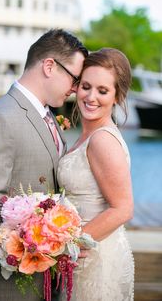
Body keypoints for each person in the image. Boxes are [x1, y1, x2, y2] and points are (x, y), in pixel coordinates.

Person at [0, 29, 88, 301]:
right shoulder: (0, 117)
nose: (75, 88)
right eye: (74, 78)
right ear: (49, 66)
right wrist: (48, 243)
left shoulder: (45, 115)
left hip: (33, 273)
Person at [57, 48, 134, 300]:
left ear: (117, 96)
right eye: (86, 86)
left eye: (102, 91)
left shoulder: (102, 140)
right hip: (84, 253)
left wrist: (67, 247)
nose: (91, 97)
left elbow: (122, 209)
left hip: (92, 258)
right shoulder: (88, 134)